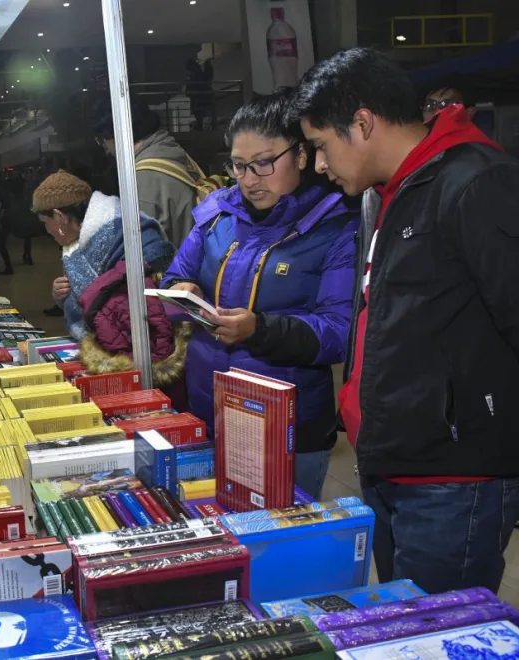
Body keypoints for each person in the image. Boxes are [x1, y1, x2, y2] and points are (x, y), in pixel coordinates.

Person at [291, 46, 519, 595]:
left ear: (362, 123)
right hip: (391, 459)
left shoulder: (474, 182)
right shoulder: (385, 193)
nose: (319, 165)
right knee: (403, 623)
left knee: (439, 624)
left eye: (321, 145)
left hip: (453, 475)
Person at [161, 89, 359, 501]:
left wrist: (259, 330)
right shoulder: (217, 215)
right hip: (210, 411)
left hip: (287, 426)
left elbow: (341, 331)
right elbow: (176, 276)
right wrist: (180, 292)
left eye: (264, 163)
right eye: (238, 165)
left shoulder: (335, 227)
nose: (250, 179)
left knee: (282, 529)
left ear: (301, 154)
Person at [33, 171, 188, 388]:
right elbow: (90, 298)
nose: (47, 231)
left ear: (60, 217)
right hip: (115, 353)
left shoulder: (128, 235)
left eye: (45, 222)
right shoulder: (78, 243)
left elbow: (111, 301)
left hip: (147, 356)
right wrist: (61, 296)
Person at [93, 95, 223, 249]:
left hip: (179, 263)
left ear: (116, 134)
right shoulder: (171, 152)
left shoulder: (143, 178)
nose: (106, 150)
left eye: (102, 140)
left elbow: (143, 253)